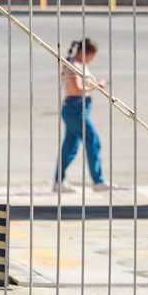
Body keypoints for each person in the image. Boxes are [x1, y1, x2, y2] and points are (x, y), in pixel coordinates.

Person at [52, 38, 109, 193]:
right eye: (91, 57)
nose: (92, 60)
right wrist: (98, 85)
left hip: (77, 109)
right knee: (93, 141)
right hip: (75, 109)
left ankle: (59, 181)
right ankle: (98, 181)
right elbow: (77, 89)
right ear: (85, 53)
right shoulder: (73, 66)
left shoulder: (78, 65)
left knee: (70, 147)